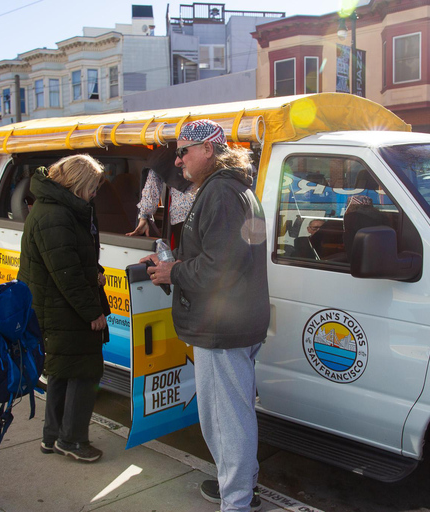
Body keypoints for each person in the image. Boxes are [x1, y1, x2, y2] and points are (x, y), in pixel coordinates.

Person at [142, 120, 270, 512]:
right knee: (231, 414)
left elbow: (222, 268)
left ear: (208, 151)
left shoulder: (221, 193)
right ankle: (240, 487)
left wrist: (173, 271)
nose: (177, 159)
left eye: (183, 151)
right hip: (230, 321)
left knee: (225, 420)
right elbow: (222, 257)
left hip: (223, 325)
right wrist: (176, 263)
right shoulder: (226, 189)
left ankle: (237, 502)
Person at [17, 154, 107, 463]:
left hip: (54, 307)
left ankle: (52, 436)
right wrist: (92, 312)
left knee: (60, 372)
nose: (95, 193)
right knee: (84, 373)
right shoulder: (57, 215)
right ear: (78, 183)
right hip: (64, 310)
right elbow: (66, 274)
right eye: (93, 186)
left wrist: (93, 273)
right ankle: (72, 440)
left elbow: (68, 263)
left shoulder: (52, 207)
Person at [126, 143, 197, 248]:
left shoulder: (162, 154)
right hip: (206, 213)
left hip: (180, 217)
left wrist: (144, 216)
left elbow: (151, 189)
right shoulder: (204, 147)